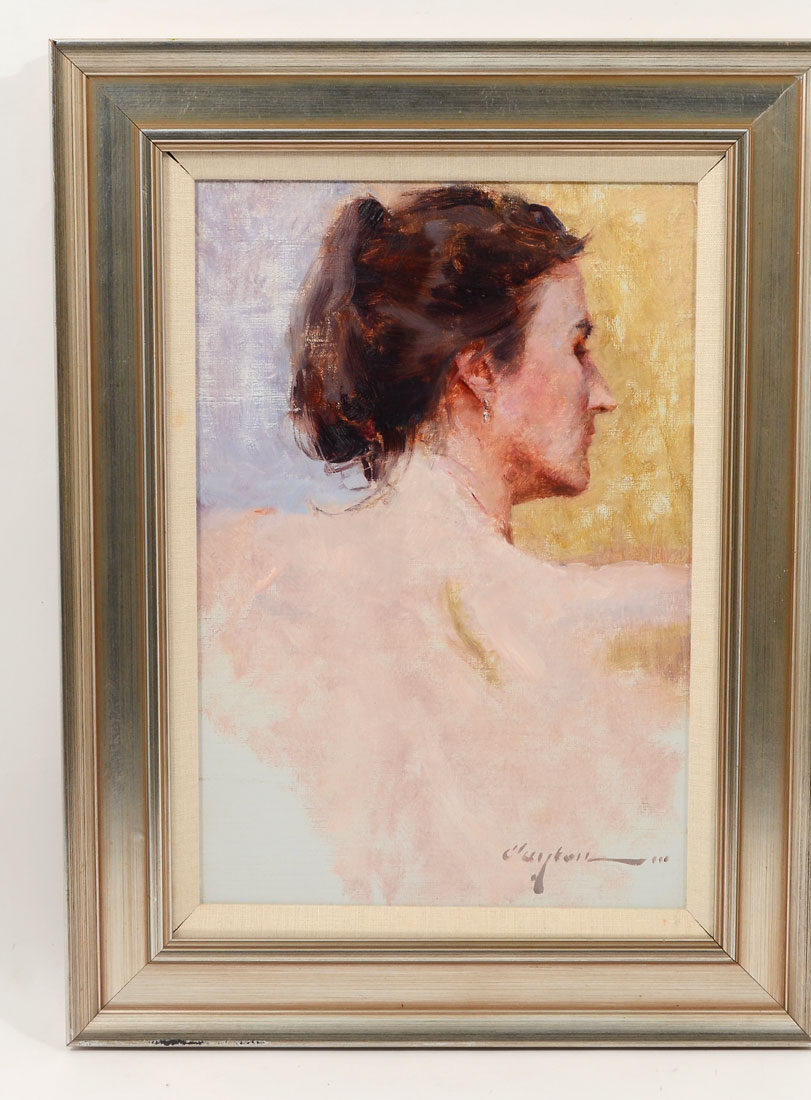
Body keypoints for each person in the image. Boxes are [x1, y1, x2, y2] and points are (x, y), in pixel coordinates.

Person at [199, 185, 690, 907]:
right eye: (577, 348)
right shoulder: (624, 621)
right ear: (480, 372)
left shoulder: (242, 572)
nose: (603, 394)